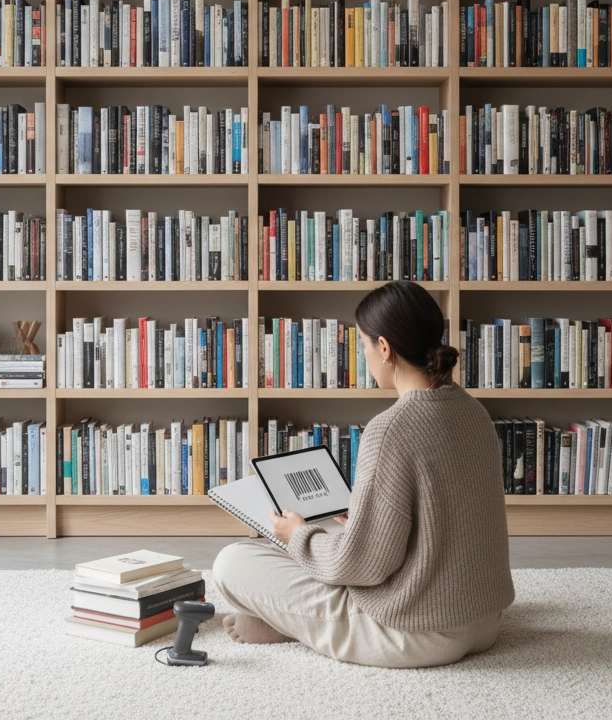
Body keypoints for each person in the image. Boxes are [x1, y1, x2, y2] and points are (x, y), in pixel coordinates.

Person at [212, 281, 514, 668]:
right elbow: (444, 515)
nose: (365, 356)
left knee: (234, 561)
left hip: (414, 632)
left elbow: (363, 565)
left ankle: (293, 621)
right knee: (326, 540)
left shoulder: (390, 428)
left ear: (384, 348)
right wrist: (363, 516)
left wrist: (298, 536)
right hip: (483, 621)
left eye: (364, 345)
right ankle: (296, 619)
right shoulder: (473, 410)